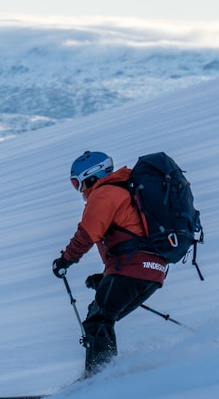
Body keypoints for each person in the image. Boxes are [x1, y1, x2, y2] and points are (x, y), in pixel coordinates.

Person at [52, 151, 169, 378]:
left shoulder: (105, 193)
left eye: (77, 183)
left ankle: (100, 377)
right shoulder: (124, 191)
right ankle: (103, 374)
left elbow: (88, 233)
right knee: (99, 314)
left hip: (133, 268)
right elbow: (130, 238)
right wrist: (106, 278)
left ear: (91, 176)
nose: (79, 190)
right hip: (153, 271)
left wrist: (65, 259)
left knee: (98, 321)